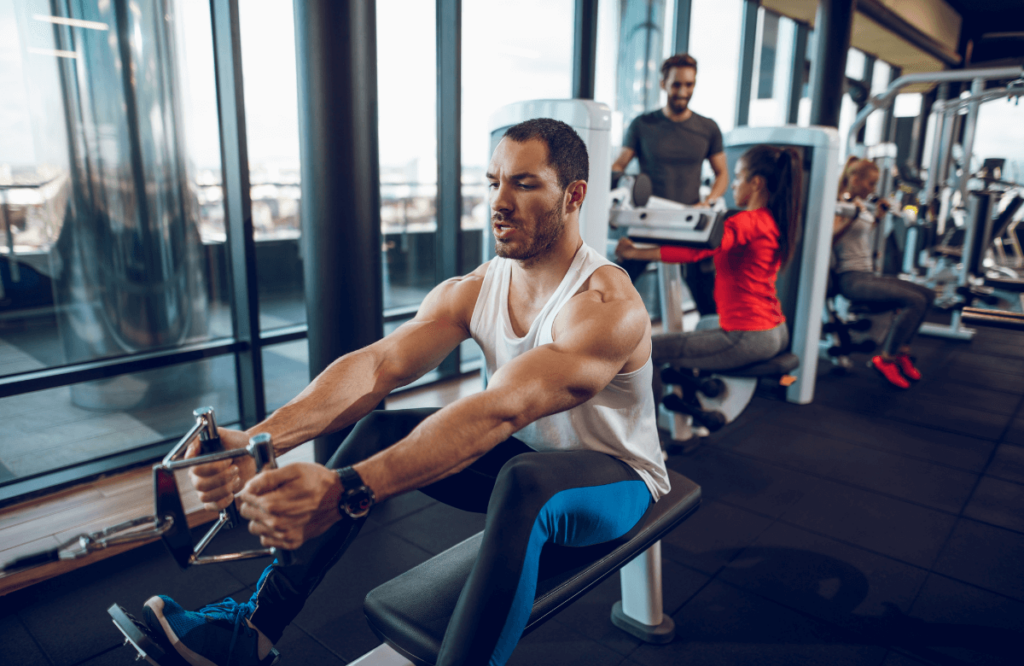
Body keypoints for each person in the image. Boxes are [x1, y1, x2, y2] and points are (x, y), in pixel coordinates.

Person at [139, 119, 669, 666]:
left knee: (524, 484)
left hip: (615, 480)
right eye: (493, 183)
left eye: (525, 184)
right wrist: (255, 442)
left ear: (574, 194)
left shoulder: (607, 305)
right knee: (380, 430)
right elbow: (380, 366)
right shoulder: (477, 288)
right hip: (527, 457)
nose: (499, 202)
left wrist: (348, 487)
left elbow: (503, 406)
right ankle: (251, 630)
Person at [615, 145, 801, 403]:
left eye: (737, 177)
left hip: (749, 335)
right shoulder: (772, 220)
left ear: (756, 183)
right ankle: (691, 396)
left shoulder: (745, 221)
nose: (733, 185)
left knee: (649, 350)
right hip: (775, 330)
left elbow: (699, 250)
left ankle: (646, 440)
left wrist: (635, 253)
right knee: (703, 325)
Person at [611, 53, 729, 315]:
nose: (683, 91)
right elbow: (620, 164)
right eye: (677, 84)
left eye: (690, 85)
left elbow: (722, 174)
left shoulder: (708, 128)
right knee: (613, 288)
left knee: (708, 302)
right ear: (663, 84)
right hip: (648, 221)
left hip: (689, 223)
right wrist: (613, 190)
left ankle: (709, 350)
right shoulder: (642, 125)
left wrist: (707, 202)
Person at [833, 157, 935, 389]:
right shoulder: (838, 204)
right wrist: (853, 217)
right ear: (855, 179)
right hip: (851, 278)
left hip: (866, 274)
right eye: (870, 183)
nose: (873, 189)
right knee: (914, 300)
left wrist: (876, 217)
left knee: (928, 295)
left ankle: (901, 353)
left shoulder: (856, 203)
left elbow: (858, 236)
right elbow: (830, 239)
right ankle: (885, 358)